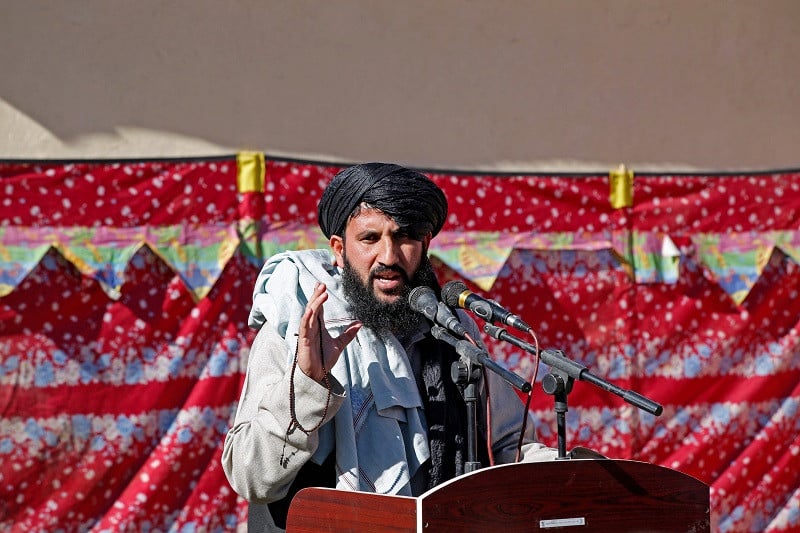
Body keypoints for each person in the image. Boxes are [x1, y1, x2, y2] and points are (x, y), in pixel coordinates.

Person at [221, 163, 557, 532]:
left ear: (426, 244)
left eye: (405, 237)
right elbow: (251, 477)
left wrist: (571, 471)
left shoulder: (452, 331)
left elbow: (507, 445)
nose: (389, 257)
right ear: (339, 248)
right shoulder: (296, 328)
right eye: (369, 239)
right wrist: (308, 382)